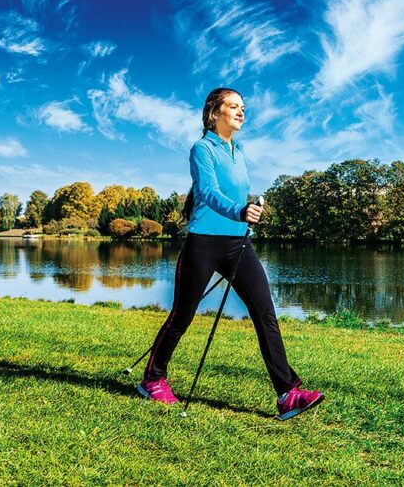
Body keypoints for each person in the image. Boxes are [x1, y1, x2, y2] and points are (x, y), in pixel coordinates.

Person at [138, 87, 323, 420]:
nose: (241, 112)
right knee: (182, 317)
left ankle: (287, 393)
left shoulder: (238, 152)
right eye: (233, 106)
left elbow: (238, 196)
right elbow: (207, 192)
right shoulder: (202, 149)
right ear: (214, 112)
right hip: (203, 244)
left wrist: (250, 211)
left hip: (239, 244)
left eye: (243, 108)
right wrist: (240, 210)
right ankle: (152, 379)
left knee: (265, 313)